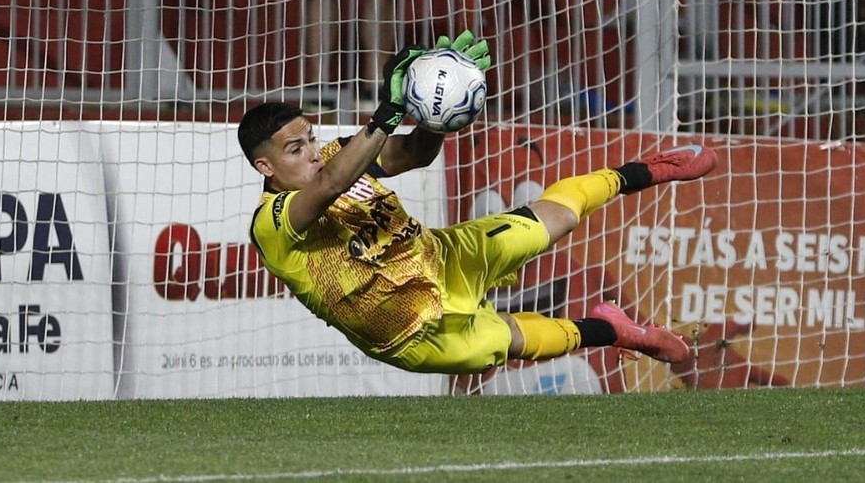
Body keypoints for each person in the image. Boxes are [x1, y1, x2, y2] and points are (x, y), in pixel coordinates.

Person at [239, 32, 711, 374]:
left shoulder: (337, 154)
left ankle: (650, 169)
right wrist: (388, 110)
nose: (313, 153)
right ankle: (615, 331)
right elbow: (330, 188)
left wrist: (435, 105)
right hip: (411, 330)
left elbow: (416, 153)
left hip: (441, 258)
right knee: (509, 338)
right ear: (266, 168)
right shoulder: (272, 225)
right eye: (295, 149)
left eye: (311, 139)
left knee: (556, 218)